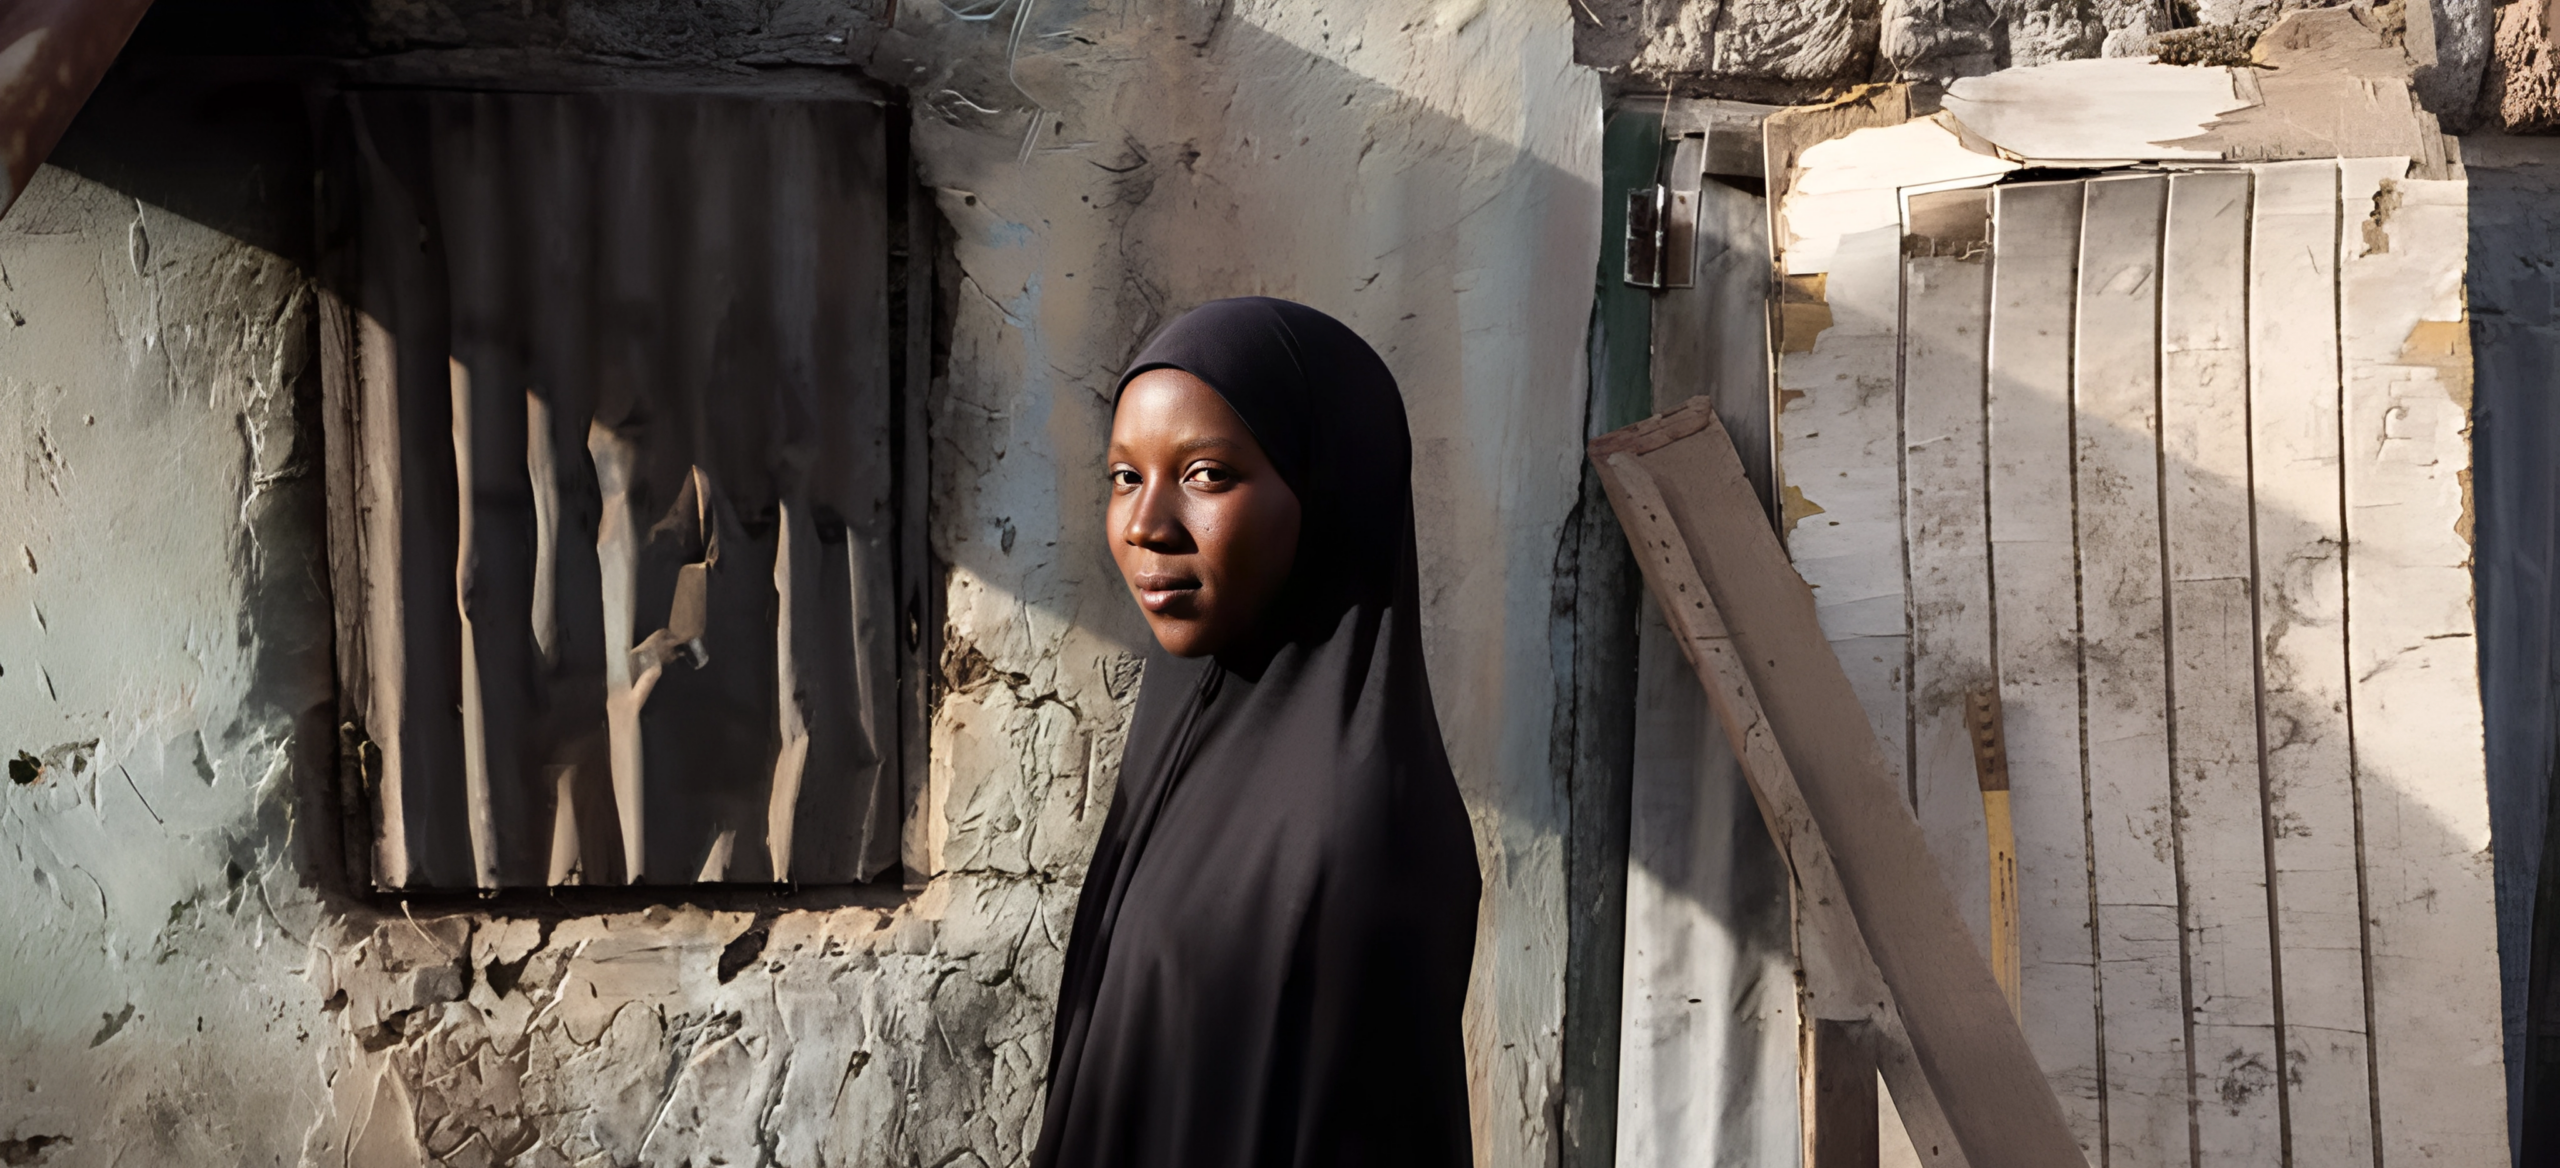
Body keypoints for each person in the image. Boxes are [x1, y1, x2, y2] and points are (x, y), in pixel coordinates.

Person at [1031, 297, 1482, 1168]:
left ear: (1331, 494)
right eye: (1125, 476)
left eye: (1205, 475)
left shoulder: (1349, 837)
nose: (1145, 524)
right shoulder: (1190, 738)